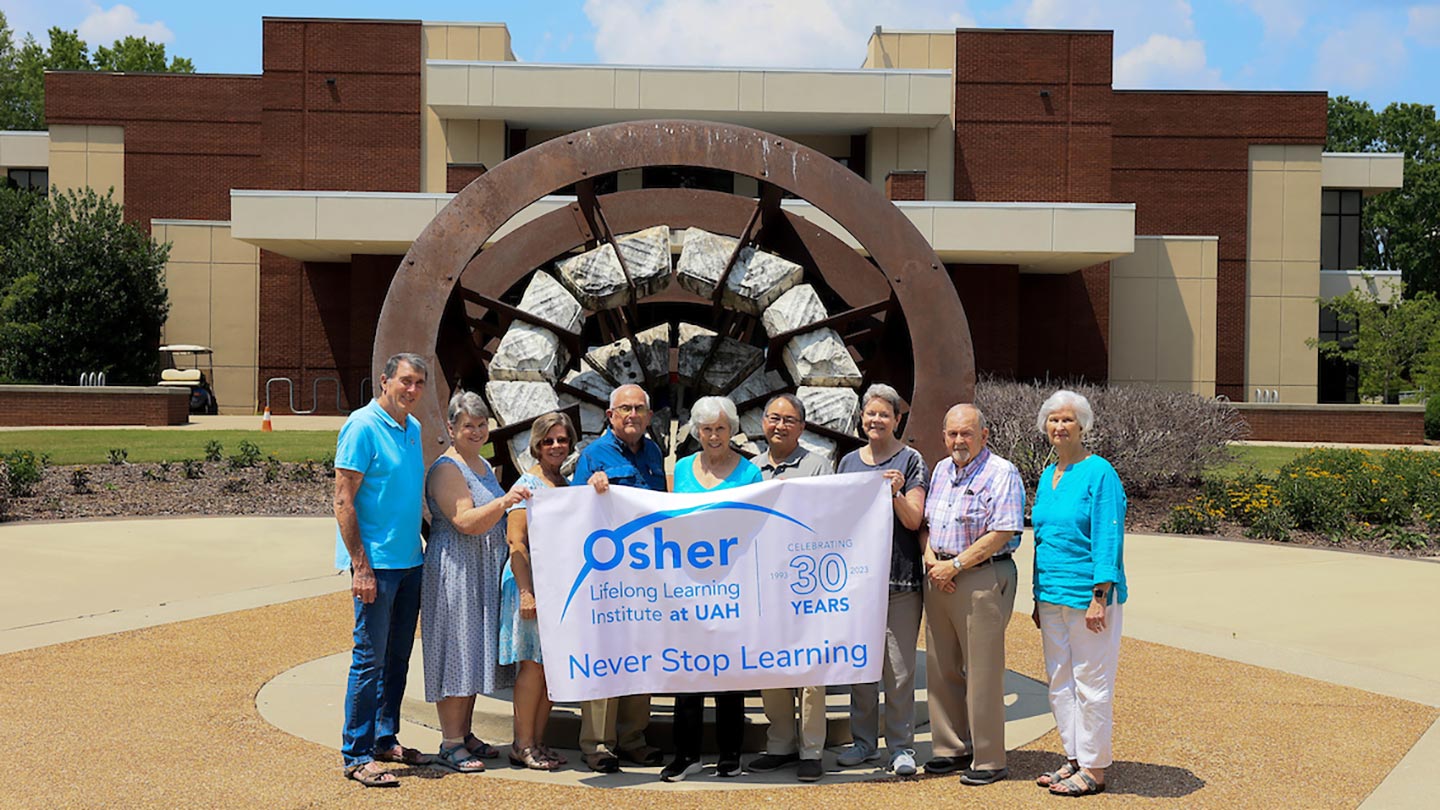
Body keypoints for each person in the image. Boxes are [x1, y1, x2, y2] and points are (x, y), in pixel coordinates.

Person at [421, 390, 531, 773]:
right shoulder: (448, 468)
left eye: (482, 424)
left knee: (472, 649)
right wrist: (505, 502)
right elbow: (465, 522)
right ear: (451, 428)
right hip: (456, 569)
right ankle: (450, 742)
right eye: (468, 425)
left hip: (480, 568)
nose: (477, 431)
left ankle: (464, 732)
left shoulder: (481, 465)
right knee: (456, 649)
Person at [334, 352, 431, 788]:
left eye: (419, 383)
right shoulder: (361, 426)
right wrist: (360, 566)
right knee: (369, 660)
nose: (412, 390)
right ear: (385, 381)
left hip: (410, 562)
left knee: (397, 658)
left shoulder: (413, 429)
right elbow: (342, 500)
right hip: (377, 566)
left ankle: (384, 737)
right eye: (405, 381)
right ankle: (356, 754)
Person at [919, 404, 1025, 785]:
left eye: (966, 433)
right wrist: (932, 559)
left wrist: (956, 566)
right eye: (952, 434)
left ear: (984, 434)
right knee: (941, 665)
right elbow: (927, 524)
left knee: (983, 671)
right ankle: (951, 748)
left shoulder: (1002, 472)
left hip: (981, 575)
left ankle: (989, 758)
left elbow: (1003, 530)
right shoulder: (942, 471)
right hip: (940, 574)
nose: (958, 441)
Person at [1030, 390, 1128, 798]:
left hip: (1088, 597)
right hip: (1051, 595)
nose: (1060, 426)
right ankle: (1073, 757)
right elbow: (1042, 538)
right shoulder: (1047, 475)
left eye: (1068, 419)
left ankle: (1094, 768)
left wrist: (1099, 596)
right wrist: (1036, 596)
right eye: (1053, 419)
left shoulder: (1099, 472)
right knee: (1059, 681)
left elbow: (1108, 534)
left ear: (1083, 425)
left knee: (1091, 682)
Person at [660, 395, 763, 783]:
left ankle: (729, 755)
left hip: (731, 586)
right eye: (706, 429)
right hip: (687, 587)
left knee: (728, 673)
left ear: (731, 429)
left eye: (720, 428)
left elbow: (757, 526)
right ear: (696, 431)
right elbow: (667, 518)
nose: (714, 436)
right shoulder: (682, 468)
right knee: (687, 672)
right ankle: (685, 755)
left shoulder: (750, 473)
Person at [568, 383, 667, 772]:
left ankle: (632, 739)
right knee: (605, 657)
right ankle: (597, 743)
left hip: (645, 578)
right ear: (610, 416)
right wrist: (590, 491)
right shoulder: (593, 456)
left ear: (649, 416)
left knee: (641, 657)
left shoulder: (655, 453)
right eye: (624, 409)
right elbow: (573, 514)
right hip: (607, 579)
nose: (632, 416)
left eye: (639, 409)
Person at [835, 383, 928, 777]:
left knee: (899, 669)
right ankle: (863, 744)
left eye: (884, 415)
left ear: (897, 419)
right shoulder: (847, 464)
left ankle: (901, 747)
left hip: (900, 580)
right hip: (858, 584)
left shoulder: (910, 460)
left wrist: (895, 493)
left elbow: (914, 519)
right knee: (862, 669)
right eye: (870, 414)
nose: (876, 420)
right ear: (861, 418)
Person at [745, 392, 833, 783]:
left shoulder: (819, 467)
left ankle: (811, 749)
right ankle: (781, 743)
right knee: (771, 668)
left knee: (811, 670)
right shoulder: (749, 470)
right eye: (773, 418)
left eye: (788, 420)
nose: (779, 426)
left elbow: (831, 518)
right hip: (763, 586)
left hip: (806, 585)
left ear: (802, 426)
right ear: (763, 422)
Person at [501, 411, 579, 771]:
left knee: (549, 667)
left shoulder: (562, 483)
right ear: (536, 444)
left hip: (556, 586)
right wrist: (526, 592)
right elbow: (515, 540)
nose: (556, 446)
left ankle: (538, 741)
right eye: (548, 441)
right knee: (532, 666)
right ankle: (522, 744)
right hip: (529, 581)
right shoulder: (528, 485)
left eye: (562, 440)